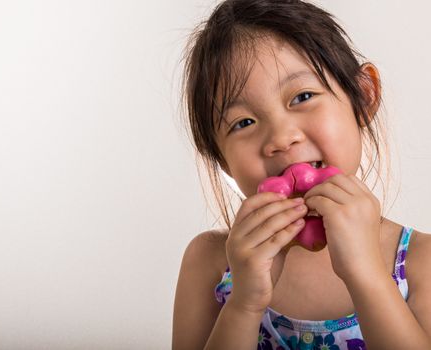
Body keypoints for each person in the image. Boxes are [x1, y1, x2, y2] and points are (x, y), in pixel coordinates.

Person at [172, 0, 431, 349]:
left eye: (303, 96)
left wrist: (366, 274)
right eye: (243, 122)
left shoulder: (420, 262)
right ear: (220, 157)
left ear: (364, 97)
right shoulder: (211, 263)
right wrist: (245, 302)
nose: (280, 138)